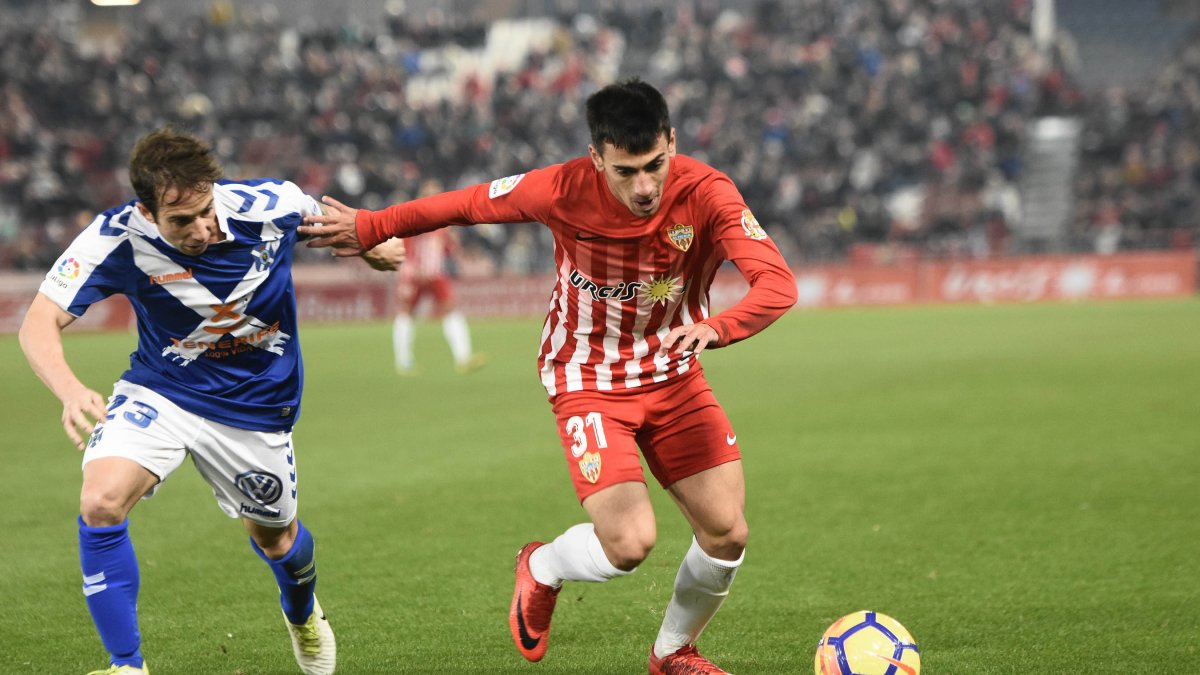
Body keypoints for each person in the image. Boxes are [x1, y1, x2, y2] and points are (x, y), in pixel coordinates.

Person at [300, 78, 798, 674]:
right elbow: (463, 203)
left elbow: (778, 285)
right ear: (597, 158)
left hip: (673, 373)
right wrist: (374, 225)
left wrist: (717, 328)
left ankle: (672, 654)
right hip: (585, 374)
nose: (643, 186)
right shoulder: (561, 188)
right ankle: (542, 568)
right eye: (625, 171)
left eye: (654, 166)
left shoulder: (709, 194)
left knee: (727, 533)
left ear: (672, 140)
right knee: (630, 544)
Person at [18, 126, 404, 675]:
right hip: (162, 390)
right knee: (101, 502)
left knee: (276, 540)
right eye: (182, 221)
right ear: (148, 212)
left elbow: (338, 226)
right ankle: (126, 665)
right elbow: (37, 322)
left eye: (206, 210)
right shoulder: (115, 237)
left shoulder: (271, 204)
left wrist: (371, 244)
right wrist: (69, 388)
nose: (202, 228)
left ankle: (302, 615)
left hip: (255, 406)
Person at [392, 178, 485, 375]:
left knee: (450, 308)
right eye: (431, 192)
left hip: (436, 273)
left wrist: (458, 249)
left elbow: (447, 246)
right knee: (406, 312)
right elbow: (404, 243)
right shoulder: (413, 214)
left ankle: (464, 358)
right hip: (414, 273)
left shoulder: (442, 218)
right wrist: (411, 269)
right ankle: (404, 361)